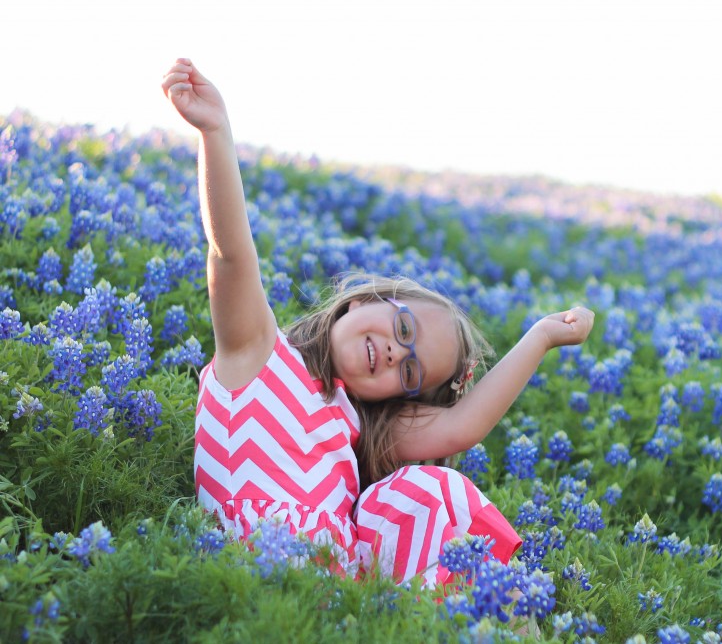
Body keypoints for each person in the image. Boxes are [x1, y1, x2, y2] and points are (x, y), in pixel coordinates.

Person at [161, 58, 595, 587]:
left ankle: (498, 619)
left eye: (409, 372)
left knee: (430, 493)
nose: (395, 353)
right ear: (363, 300)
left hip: (334, 588)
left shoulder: (359, 426)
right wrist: (216, 133)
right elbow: (231, 254)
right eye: (403, 330)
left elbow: (463, 425)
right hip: (242, 573)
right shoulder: (257, 352)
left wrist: (543, 334)